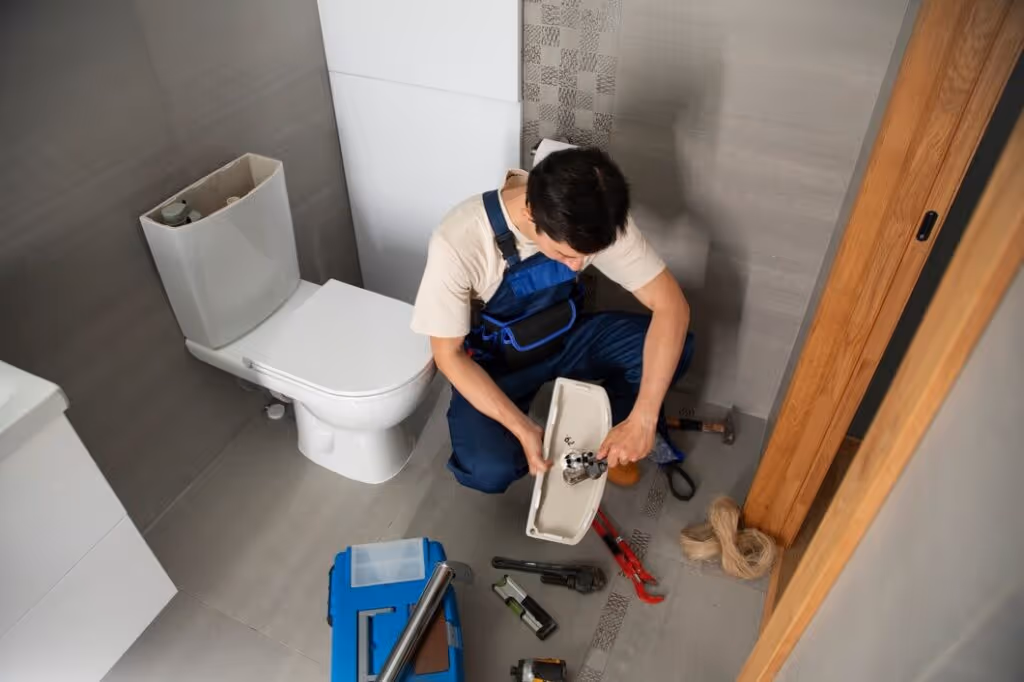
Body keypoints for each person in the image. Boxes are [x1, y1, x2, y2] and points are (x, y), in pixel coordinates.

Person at [411, 147, 693, 493]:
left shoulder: (598, 211)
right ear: (531, 213)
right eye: (566, 254)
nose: (577, 265)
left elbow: (672, 307)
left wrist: (644, 417)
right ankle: (528, 439)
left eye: (587, 256)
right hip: (500, 364)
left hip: (567, 336)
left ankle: (612, 442)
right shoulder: (459, 241)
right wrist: (522, 427)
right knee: (489, 468)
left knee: (675, 348)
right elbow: (447, 355)